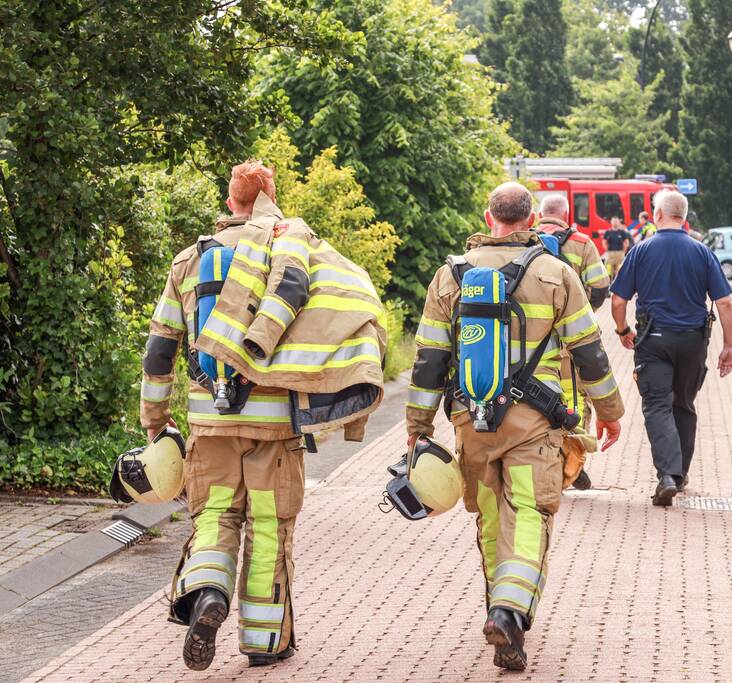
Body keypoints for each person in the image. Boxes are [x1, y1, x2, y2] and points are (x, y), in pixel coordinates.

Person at [141, 161, 385, 671]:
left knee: (215, 516)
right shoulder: (292, 251)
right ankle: (264, 641)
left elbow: (159, 351)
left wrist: (155, 420)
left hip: (210, 426)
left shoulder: (189, 261)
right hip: (273, 425)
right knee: (269, 527)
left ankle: (208, 592)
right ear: (271, 199)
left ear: (231, 202)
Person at [406, 182, 624, 670]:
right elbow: (589, 352)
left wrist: (418, 426)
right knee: (527, 513)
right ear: (530, 220)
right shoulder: (556, 272)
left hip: (471, 421)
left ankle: (497, 608)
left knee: (489, 519)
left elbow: (428, 360)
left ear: (489, 217)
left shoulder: (450, 274)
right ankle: (508, 611)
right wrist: (609, 411)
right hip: (536, 425)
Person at [610, 190, 732, 506]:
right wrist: (729, 346)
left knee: (657, 405)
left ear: (657, 215)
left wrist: (623, 330)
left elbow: (618, 300)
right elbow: (724, 302)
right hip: (693, 341)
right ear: (684, 217)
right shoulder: (702, 252)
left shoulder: (640, 250)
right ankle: (680, 476)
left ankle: (667, 475)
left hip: (653, 340)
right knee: (684, 404)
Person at [535, 194, 610, 490]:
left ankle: (545, 459)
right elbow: (600, 287)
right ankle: (572, 462)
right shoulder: (582, 243)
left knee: (536, 398)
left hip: (536, 341)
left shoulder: (525, 240)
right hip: (572, 341)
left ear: (540, 214)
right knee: (576, 400)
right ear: (566, 215)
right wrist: (582, 314)